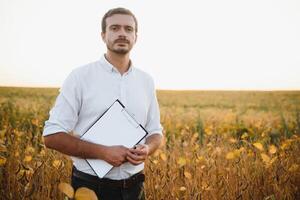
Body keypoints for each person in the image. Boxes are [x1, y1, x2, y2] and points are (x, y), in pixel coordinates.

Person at [43, 7, 163, 200]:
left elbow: (156, 132)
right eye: (115, 28)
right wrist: (102, 152)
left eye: (128, 29)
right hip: (90, 187)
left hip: (135, 188)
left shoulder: (146, 81)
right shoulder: (80, 77)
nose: (122, 33)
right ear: (103, 35)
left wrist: (148, 148)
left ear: (136, 37)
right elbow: (51, 136)